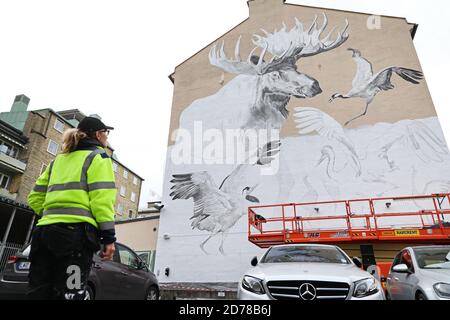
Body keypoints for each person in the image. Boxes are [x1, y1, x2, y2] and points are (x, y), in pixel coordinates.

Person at [27, 116, 117, 300]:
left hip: (43, 234)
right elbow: (102, 201)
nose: (107, 138)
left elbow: (34, 197)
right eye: (106, 134)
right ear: (98, 135)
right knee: (71, 293)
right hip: (74, 240)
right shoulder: (98, 157)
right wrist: (109, 238)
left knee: (39, 293)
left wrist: (51, 217)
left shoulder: (57, 161)